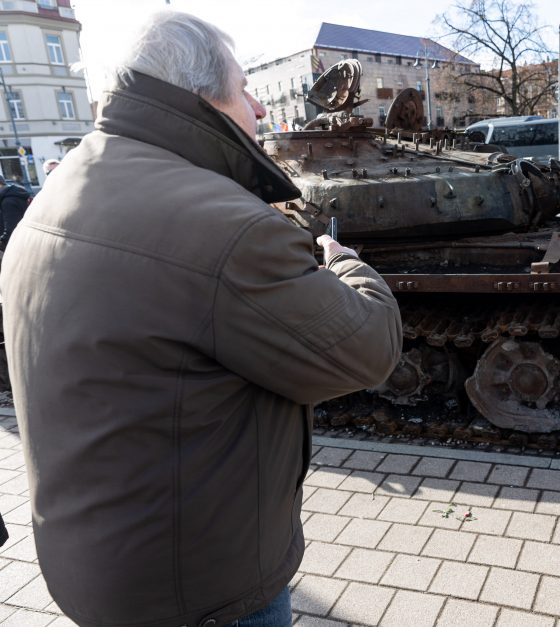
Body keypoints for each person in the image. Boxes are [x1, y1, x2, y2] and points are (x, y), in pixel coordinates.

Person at [0, 12, 402, 627]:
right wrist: (345, 265)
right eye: (244, 89)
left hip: (97, 564)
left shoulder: (57, 192)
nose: (261, 109)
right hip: (202, 589)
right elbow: (367, 348)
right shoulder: (226, 225)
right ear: (201, 98)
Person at [0, 174, 30, 255]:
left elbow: (12, 228)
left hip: (17, 247)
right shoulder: (13, 194)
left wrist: (2, 242)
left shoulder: (8, 201)